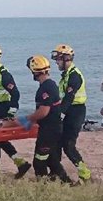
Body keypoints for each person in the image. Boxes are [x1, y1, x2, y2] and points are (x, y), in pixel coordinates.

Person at [0, 43, 31, 179]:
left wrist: (11, 113)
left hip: (1, 110)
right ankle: (18, 163)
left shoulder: (4, 74)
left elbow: (15, 94)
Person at [25, 55, 71, 183]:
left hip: (49, 131)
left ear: (35, 71)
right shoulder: (50, 85)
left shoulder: (46, 88)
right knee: (52, 160)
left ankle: (43, 186)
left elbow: (43, 112)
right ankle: (66, 182)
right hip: (52, 128)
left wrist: (28, 119)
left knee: (39, 162)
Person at [51, 44, 91, 182]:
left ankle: (84, 174)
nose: (56, 62)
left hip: (75, 112)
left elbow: (69, 97)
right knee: (56, 143)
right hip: (68, 110)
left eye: (58, 59)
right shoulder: (66, 75)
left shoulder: (74, 76)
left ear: (65, 58)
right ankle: (56, 172)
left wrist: (60, 114)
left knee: (68, 145)